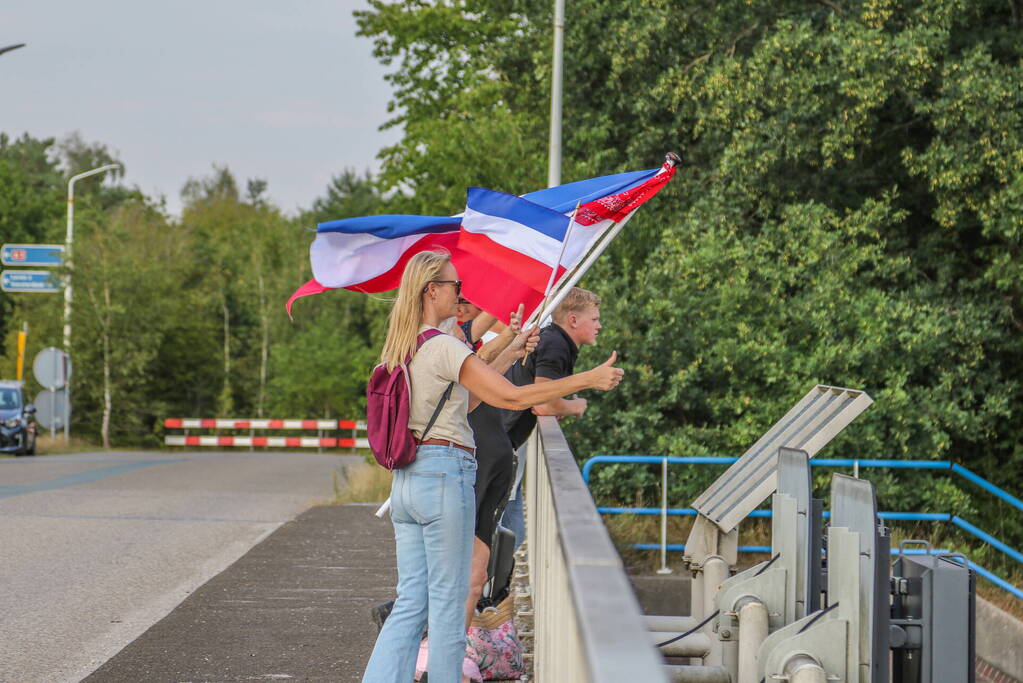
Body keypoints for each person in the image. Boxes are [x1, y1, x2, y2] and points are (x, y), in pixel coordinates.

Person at [361, 251, 623, 683]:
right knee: (449, 604)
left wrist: (511, 351)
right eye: (455, 286)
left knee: (411, 603)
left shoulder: (405, 346)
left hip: (408, 480)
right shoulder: (444, 345)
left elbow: (465, 401)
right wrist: (588, 379)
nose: (461, 294)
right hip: (443, 478)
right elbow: (512, 398)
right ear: (432, 291)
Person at [500, 288, 604, 549]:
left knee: (512, 531)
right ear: (573, 320)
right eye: (594, 319)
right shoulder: (556, 345)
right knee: (503, 532)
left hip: (504, 439)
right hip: (501, 442)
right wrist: (575, 406)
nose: (599, 326)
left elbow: (543, 394)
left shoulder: (554, 339)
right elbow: (543, 404)